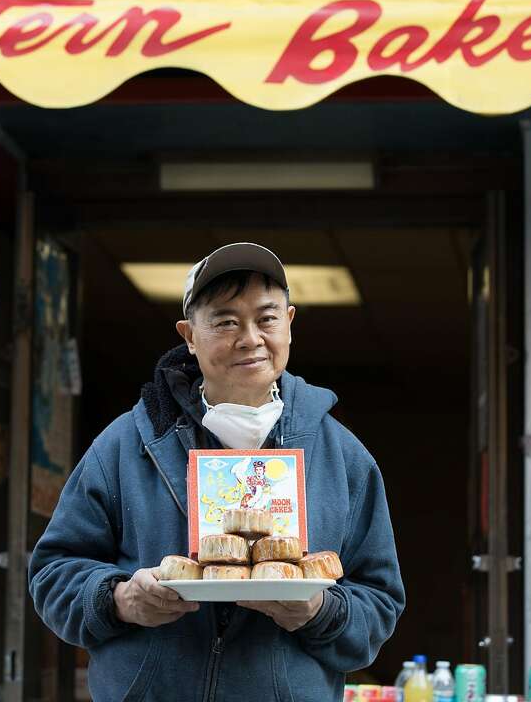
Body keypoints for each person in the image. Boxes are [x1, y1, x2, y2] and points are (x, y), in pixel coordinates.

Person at [29, 242, 405, 701]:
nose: (250, 338)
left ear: (289, 323)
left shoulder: (342, 457)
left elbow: (380, 602)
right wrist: (120, 599)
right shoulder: (127, 445)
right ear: (189, 335)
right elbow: (52, 573)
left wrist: (318, 611)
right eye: (225, 321)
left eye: (266, 318)